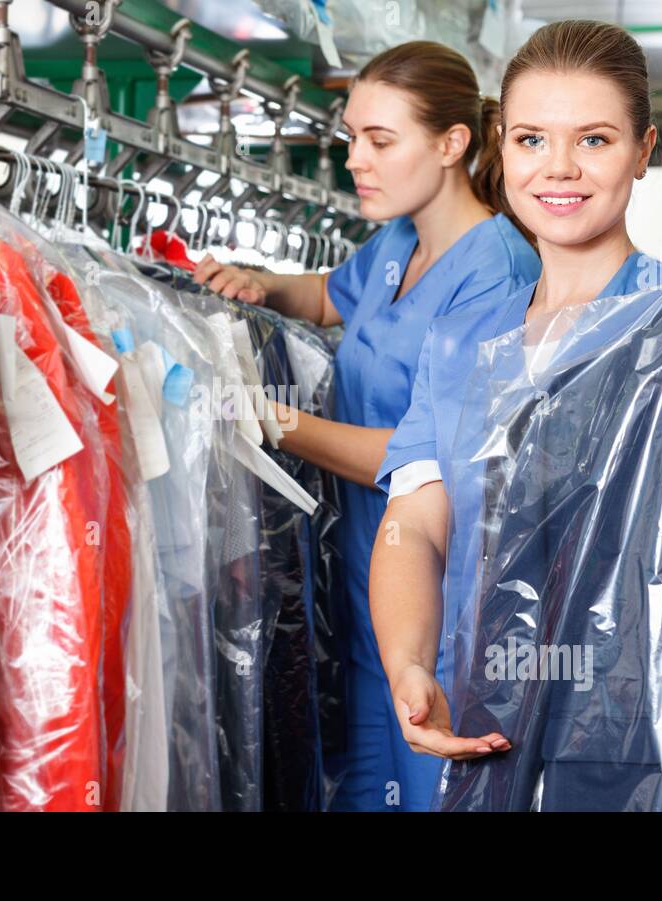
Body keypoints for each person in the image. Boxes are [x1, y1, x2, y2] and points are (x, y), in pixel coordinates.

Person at [369, 20, 662, 780]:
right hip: (481, 726)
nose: (559, 168)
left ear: (644, 152)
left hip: (648, 743)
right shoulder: (459, 338)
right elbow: (415, 521)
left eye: (594, 140)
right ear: (500, 145)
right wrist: (407, 661)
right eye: (530, 140)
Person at [192, 41, 541, 811]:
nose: (355, 158)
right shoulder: (398, 242)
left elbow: (435, 456)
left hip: (443, 607)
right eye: (352, 136)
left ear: (452, 144)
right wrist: (261, 286)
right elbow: (330, 297)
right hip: (358, 592)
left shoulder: (499, 272)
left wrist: (273, 423)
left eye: (380, 141)